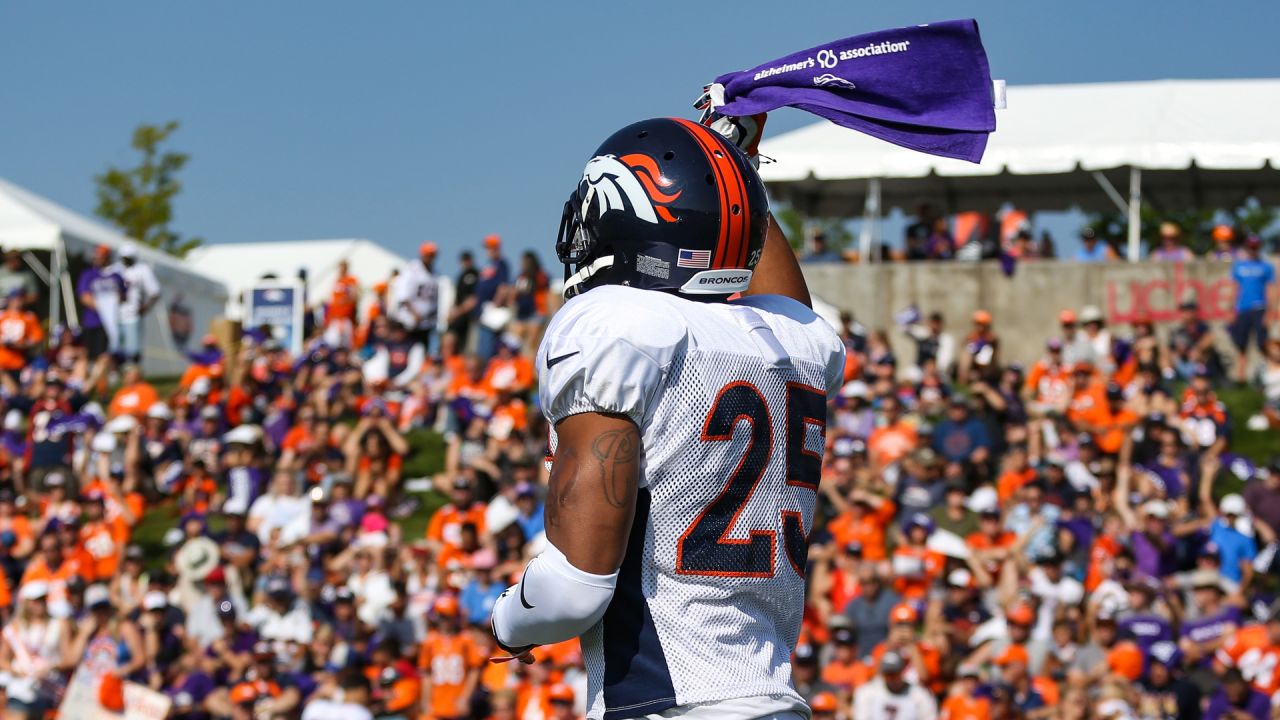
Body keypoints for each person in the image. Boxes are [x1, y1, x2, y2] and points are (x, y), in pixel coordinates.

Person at [489, 116, 845, 719]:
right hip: (771, 700)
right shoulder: (789, 338)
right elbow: (785, 304)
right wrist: (737, 167)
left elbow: (573, 590)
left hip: (671, 700)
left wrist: (505, 622)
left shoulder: (617, 325)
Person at [1228, 235, 1275, 384]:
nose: (1252, 249)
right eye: (1250, 246)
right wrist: (1232, 309)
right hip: (1242, 309)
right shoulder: (1238, 266)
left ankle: (1267, 376)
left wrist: (1269, 311)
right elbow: (1235, 288)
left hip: (1260, 308)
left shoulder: (1266, 267)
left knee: (1263, 344)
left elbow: (1270, 289)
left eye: (1255, 246)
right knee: (1241, 345)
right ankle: (1241, 379)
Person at [112, 243, 161, 364]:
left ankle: (133, 374)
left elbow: (155, 292)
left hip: (132, 316)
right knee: (114, 349)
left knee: (133, 351)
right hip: (114, 316)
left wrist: (145, 308)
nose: (126, 261)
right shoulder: (115, 269)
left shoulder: (142, 269)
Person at [852, 650, 937, 720]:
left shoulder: (920, 695)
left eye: (895, 674)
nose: (891, 678)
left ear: (902, 671)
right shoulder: (867, 693)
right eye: (888, 674)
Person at [76, 244, 126, 360]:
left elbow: (123, 296)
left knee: (105, 354)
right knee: (91, 354)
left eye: (100, 255)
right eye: (96, 255)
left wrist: (112, 306)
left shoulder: (116, 276)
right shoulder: (88, 274)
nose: (97, 258)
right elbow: (84, 296)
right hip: (92, 321)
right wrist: (104, 308)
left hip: (112, 323)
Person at [392, 242, 441, 351]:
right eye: (428, 255)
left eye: (433, 255)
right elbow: (402, 295)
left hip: (426, 323)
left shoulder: (435, 273)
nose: (431, 258)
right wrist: (414, 313)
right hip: (409, 322)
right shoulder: (412, 270)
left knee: (422, 351)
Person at [472, 235, 510, 361]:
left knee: (487, 346)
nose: (488, 251)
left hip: (491, 311)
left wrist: (495, 304)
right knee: (482, 344)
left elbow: (503, 286)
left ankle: (487, 369)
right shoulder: (488, 265)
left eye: (491, 248)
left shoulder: (501, 264)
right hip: (483, 311)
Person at [447, 250, 479, 350]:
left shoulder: (474, 274)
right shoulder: (461, 275)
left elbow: (473, 298)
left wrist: (458, 311)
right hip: (458, 317)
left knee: (467, 346)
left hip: (468, 317)